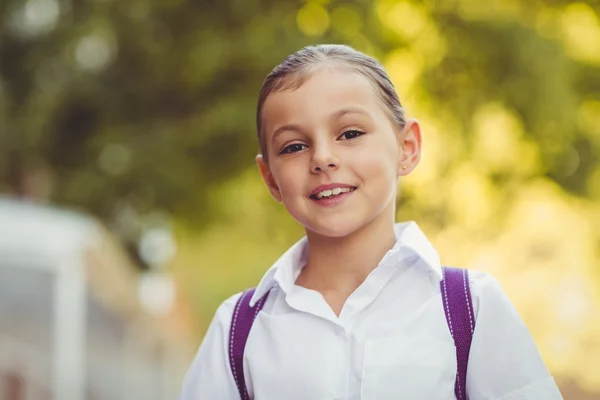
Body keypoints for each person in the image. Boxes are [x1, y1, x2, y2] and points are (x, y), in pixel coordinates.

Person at [179, 44, 563, 399]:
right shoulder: (238, 330)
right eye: (294, 146)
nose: (323, 158)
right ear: (270, 179)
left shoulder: (469, 308)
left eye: (350, 133)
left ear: (406, 148)